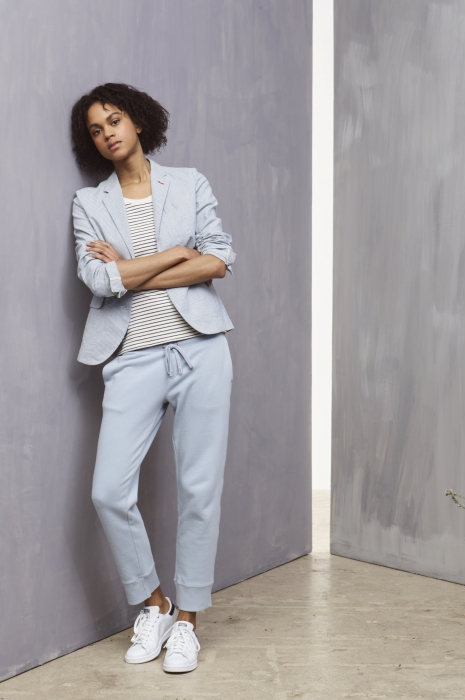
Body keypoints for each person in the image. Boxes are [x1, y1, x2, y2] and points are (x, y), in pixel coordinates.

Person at [70, 83, 236, 673]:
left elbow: (219, 259)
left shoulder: (188, 183)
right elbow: (100, 281)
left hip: (200, 348)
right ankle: (156, 604)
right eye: (96, 129)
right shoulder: (88, 202)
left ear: (138, 121)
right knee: (108, 492)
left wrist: (132, 267)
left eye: (114, 120)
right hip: (131, 357)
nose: (108, 133)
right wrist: (175, 255)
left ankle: (187, 620)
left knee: (199, 489)